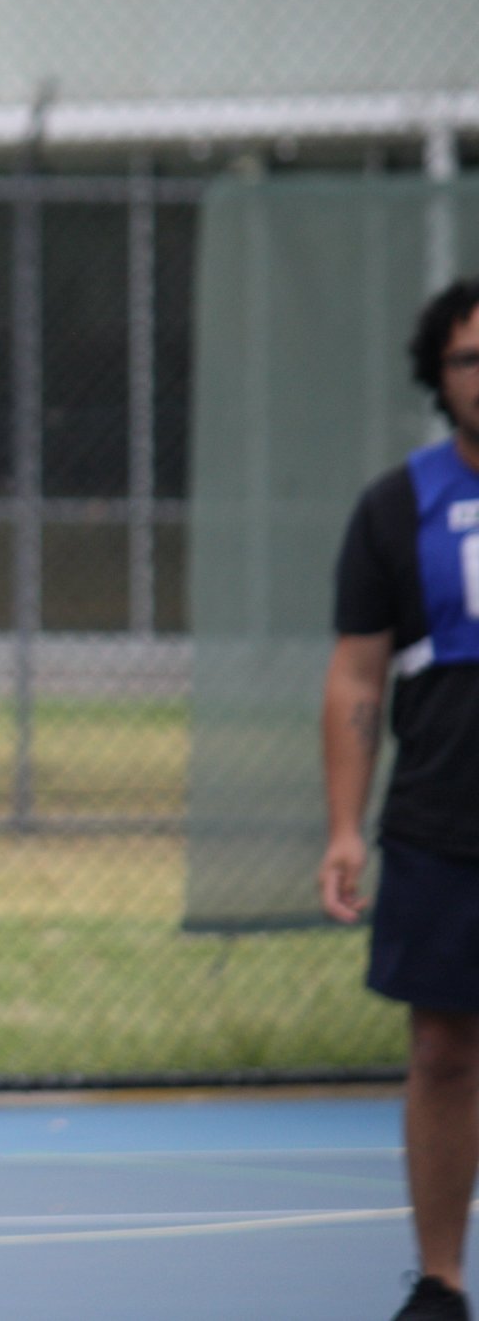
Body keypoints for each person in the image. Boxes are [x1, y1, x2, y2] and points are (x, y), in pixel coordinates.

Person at [321, 276, 479, 1321]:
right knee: (440, 1050)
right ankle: (439, 1281)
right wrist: (341, 825)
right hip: (443, 820)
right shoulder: (395, 505)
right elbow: (354, 679)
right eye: (471, 358)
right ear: (439, 376)